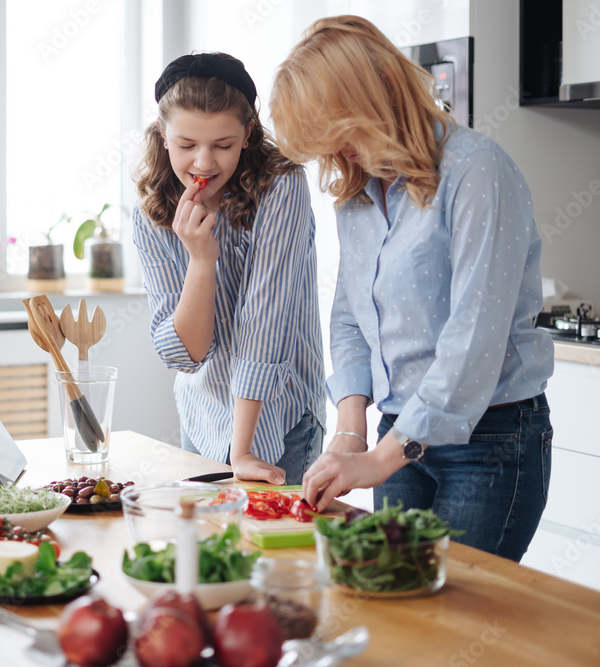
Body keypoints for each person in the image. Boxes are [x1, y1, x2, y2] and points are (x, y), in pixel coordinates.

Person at [270, 16, 555, 561]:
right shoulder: (357, 197)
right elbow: (350, 315)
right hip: (396, 433)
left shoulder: (476, 171)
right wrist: (351, 431)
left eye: (342, 137)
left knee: (460, 622)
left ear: (375, 101)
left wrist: (377, 461)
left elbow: (474, 335)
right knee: (402, 607)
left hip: (490, 438)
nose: (340, 157)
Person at [133, 52, 326, 486]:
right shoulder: (150, 213)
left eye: (222, 146)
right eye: (186, 145)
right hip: (202, 420)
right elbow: (185, 354)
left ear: (248, 133)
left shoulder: (283, 187)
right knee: (205, 552)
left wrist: (243, 450)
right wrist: (201, 261)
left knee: (273, 552)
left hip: (281, 419)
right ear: (163, 135)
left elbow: (265, 322)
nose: (203, 163)